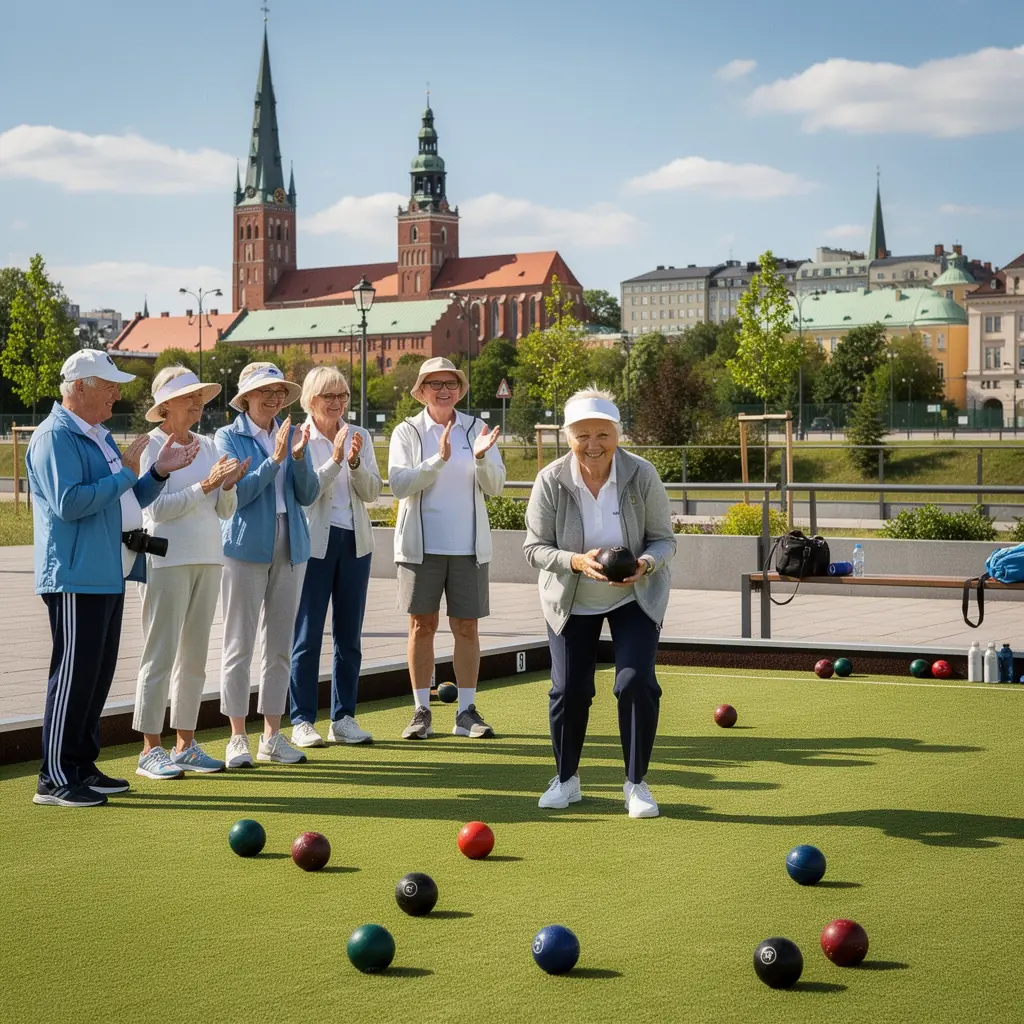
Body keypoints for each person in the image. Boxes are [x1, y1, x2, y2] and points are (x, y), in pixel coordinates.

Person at [26, 350, 199, 807]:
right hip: (75, 573)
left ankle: (81, 765)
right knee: (73, 676)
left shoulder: (96, 434)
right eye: (108, 384)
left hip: (108, 570)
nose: (117, 393)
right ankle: (55, 778)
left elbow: (127, 494)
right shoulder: (53, 437)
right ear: (79, 387)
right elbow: (69, 503)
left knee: (96, 675)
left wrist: (159, 471)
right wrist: (124, 469)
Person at [523, 388, 676, 818]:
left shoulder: (641, 475)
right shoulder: (551, 480)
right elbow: (533, 548)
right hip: (571, 599)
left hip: (633, 595)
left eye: (603, 434)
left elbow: (665, 539)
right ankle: (567, 779)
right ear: (567, 436)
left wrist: (646, 563)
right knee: (569, 689)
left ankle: (636, 784)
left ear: (618, 434)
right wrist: (573, 560)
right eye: (583, 435)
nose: (593, 444)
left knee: (635, 682)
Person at [132, 366, 249, 780]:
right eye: (188, 397)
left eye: (199, 396)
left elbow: (224, 511)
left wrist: (229, 485)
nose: (197, 402)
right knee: (160, 653)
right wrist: (204, 487)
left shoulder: (209, 445)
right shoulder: (153, 446)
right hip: (165, 560)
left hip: (208, 558)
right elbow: (155, 510)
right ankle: (150, 748)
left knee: (196, 658)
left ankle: (186, 744)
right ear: (165, 405)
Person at [388, 356, 505, 741]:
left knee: (466, 628)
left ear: (459, 390)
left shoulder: (477, 429)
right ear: (420, 391)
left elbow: (495, 486)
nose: (443, 390)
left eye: (450, 384)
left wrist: (483, 457)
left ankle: (465, 713)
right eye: (434, 384)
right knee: (422, 627)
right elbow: (400, 485)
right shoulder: (407, 431)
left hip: (468, 548)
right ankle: (421, 711)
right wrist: (438, 459)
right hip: (420, 549)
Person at [215, 362, 318, 767]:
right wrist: (274, 460)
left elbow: (307, 494)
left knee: (279, 647)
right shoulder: (228, 436)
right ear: (246, 398)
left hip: (291, 543)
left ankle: (272, 737)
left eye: (279, 391)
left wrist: (298, 458)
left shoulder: (292, 433)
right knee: (238, 643)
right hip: (244, 546)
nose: (274, 398)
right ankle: (237, 737)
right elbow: (236, 494)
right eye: (265, 391)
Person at [289, 366, 382, 748]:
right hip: (313, 545)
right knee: (307, 636)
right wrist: (336, 459)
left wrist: (356, 462)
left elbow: (374, 491)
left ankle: (343, 717)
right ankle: (301, 719)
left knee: (349, 636)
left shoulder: (359, 435)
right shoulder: (299, 437)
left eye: (342, 395)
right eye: (329, 396)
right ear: (310, 400)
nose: (338, 403)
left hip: (355, 544)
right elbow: (306, 493)